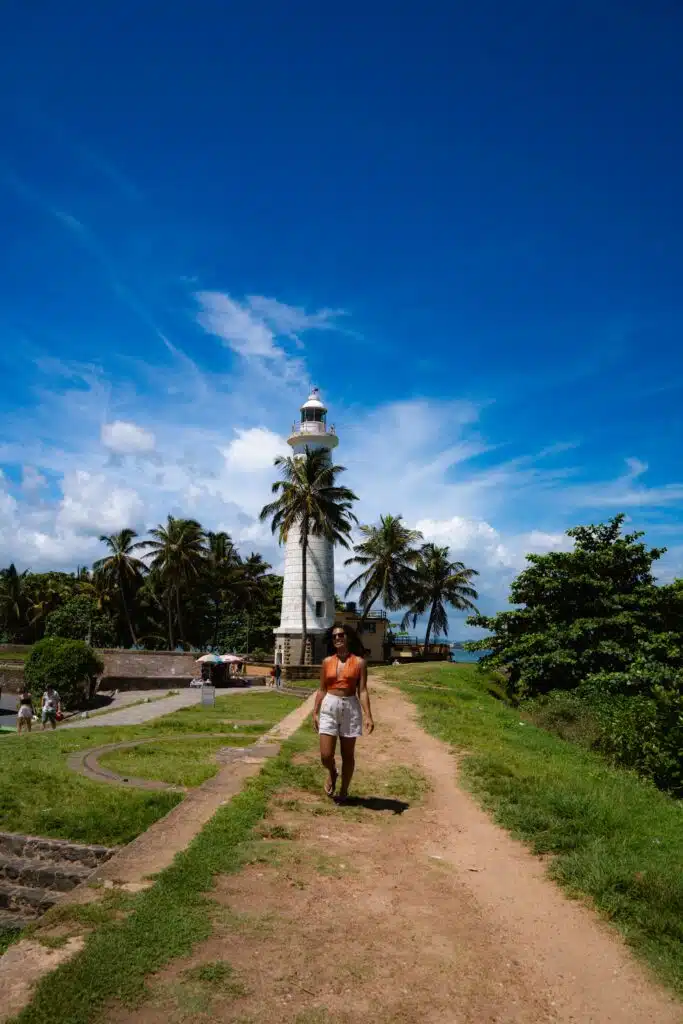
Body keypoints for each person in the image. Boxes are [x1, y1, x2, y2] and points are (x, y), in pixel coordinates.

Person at [314, 624, 374, 802]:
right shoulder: (326, 662)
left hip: (350, 706)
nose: (338, 638)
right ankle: (332, 772)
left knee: (348, 755)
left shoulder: (359, 663)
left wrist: (368, 715)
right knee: (326, 755)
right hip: (329, 705)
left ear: (348, 637)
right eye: (334, 636)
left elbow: (362, 691)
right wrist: (315, 712)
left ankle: (344, 790)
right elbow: (321, 689)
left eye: (341, 635)